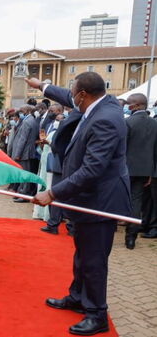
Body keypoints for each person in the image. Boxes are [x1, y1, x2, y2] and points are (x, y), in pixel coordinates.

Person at [27, 72, 132, 336]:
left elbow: (93, 169)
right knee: (82, 255)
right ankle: (77, 297)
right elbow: (64, 95)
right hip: (87, 199)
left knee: (94, 261)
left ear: (83, 95)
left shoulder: (106, 119)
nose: (71, 97)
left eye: (74, 93)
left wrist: (53, 194)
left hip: (100, 202)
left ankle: (97, 314)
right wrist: (42, 86)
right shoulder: (96, 103)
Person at [124, 93, 157, 248]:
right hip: (144, 170)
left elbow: (121, 149)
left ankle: (112, 231)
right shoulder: (154, 124)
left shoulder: (128, 122)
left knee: (120, 199)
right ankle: (131, 237)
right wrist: (151, 172)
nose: (127, 106)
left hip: (125, 169)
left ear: (136, 105)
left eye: (129, 103)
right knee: (136, 202)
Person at [32, 109, 63, 222]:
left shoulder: (62, 133)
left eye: (60, 120)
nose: (57, 121)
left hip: (53, 163)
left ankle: (49, 216)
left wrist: (48, 143)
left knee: (50, 186)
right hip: (44, 161)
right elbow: (43, 148)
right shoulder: (50, 129)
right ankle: (39, 212)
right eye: (56, 119)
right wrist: (42, 144)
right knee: (42, 184)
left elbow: (59, 148)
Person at [11, 105, 39, 201]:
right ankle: (22, 192)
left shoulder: (27, 122)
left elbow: (23, 139)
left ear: (27, 111)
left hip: (24, 153)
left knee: (24, 175)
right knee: (25, 174)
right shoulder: (32, 120)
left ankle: (24, 195)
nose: (20, 113)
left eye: (22, 111)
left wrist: (17, 154)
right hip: (28, 152)